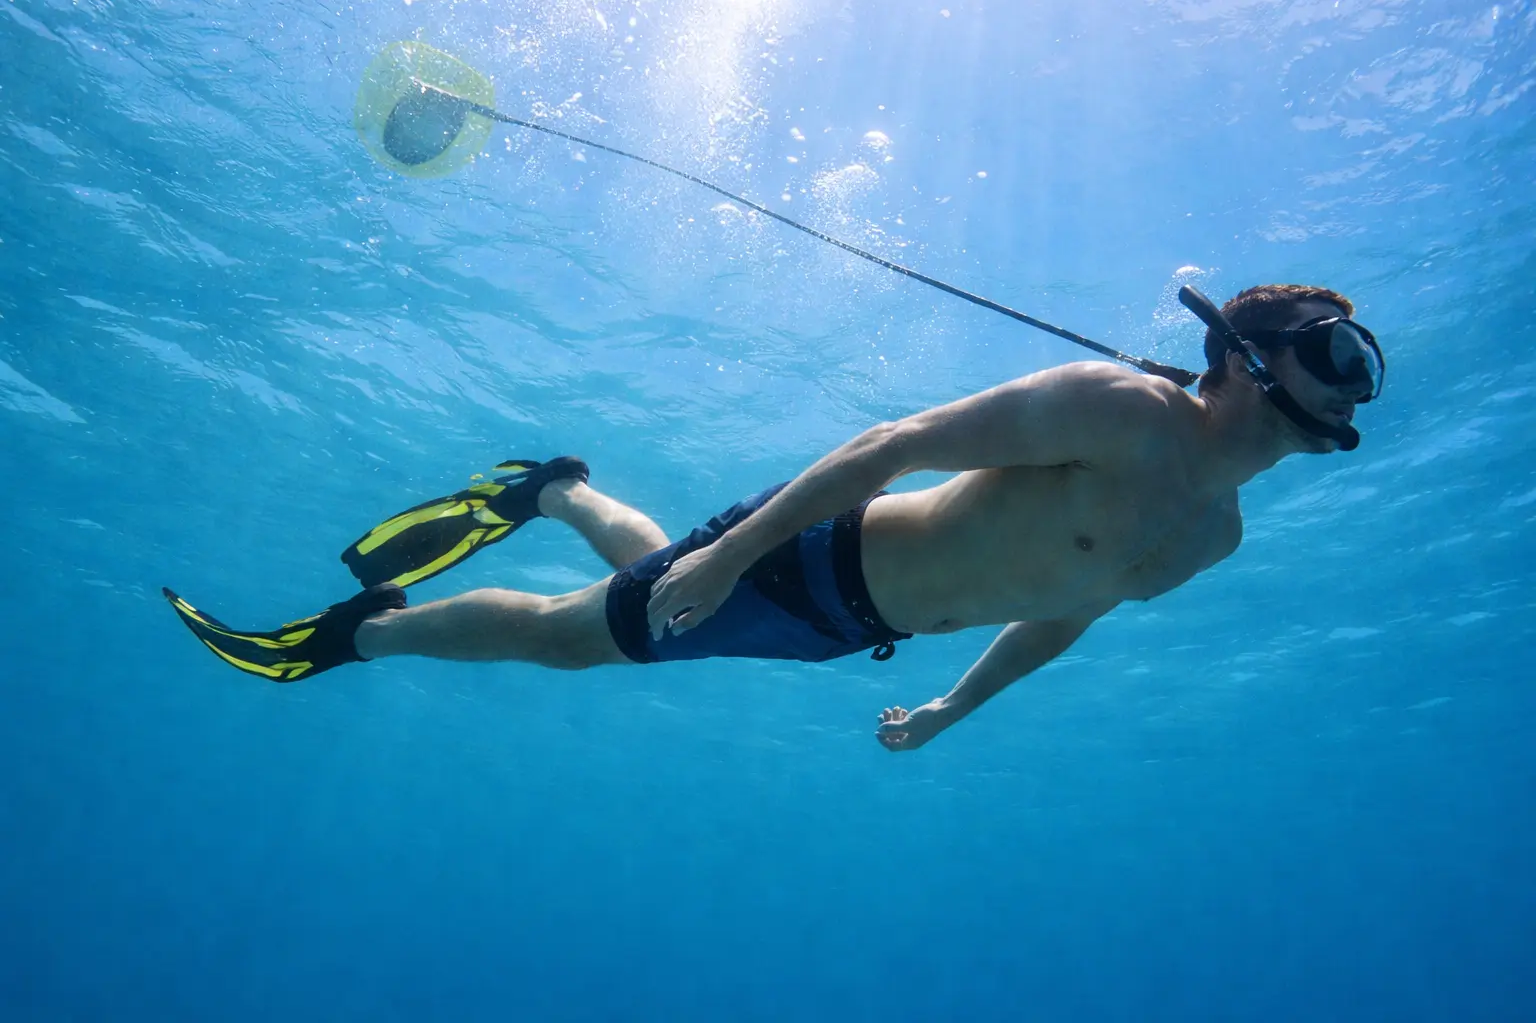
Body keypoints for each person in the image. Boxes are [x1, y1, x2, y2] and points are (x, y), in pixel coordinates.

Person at [165, 284, 1384, 752]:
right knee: (568, 639)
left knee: (646, 588)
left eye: (1363, 366)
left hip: (840, 632)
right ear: (1245, 352)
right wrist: (740, 553)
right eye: (1337, 351)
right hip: (811, 548)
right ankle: (356, 632)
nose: (1352, 380)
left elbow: (1066, 613)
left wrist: (956, 706)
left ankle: (552, 487)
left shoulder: (1215, 536)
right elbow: (891, 445)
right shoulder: (1120, 410)